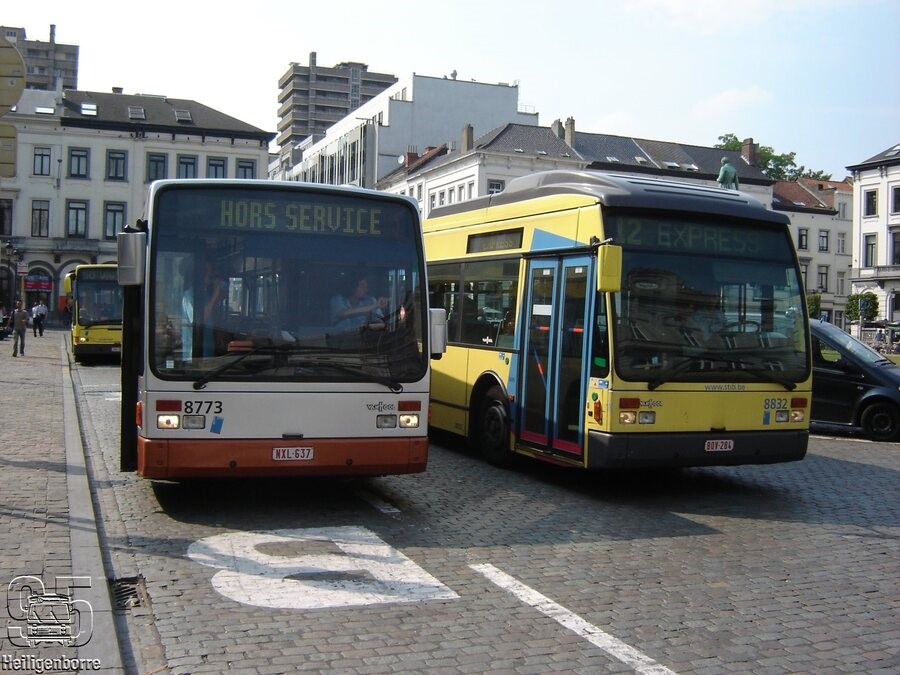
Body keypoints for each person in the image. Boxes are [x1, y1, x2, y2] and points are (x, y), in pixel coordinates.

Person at [181, 259, 226, 359]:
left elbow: (222, 297)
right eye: (206, 271)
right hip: (194, 355)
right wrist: (215, 294)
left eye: (211, 271)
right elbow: (200, 320)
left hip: (208, 351)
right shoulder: (189, 295)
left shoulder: (205, 293)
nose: (210, 274)